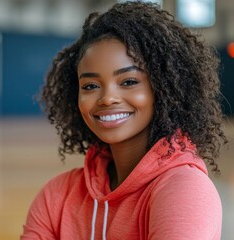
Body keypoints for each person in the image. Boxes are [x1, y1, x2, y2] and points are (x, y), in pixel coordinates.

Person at [21, 2, 228, 239]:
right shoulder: (56, 195)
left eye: (129, 81)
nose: (107, 98)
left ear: (163, 88)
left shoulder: (184, 189)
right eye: (90, 86)